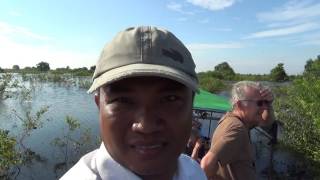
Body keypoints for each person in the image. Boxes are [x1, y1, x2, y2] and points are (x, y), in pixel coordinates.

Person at [60, 26, 207, 180]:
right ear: (99, 105)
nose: (146, 126)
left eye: (170, 99)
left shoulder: (193, 171)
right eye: (122, 100)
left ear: (191, 105)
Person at [200, 81, 275, 180]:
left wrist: (269, 104)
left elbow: (266, 121)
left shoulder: (241, 121)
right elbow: (206, 164)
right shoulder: (237, 128)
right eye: (260, 103)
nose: (264, 107)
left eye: (265, 102)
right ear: (240, 105)